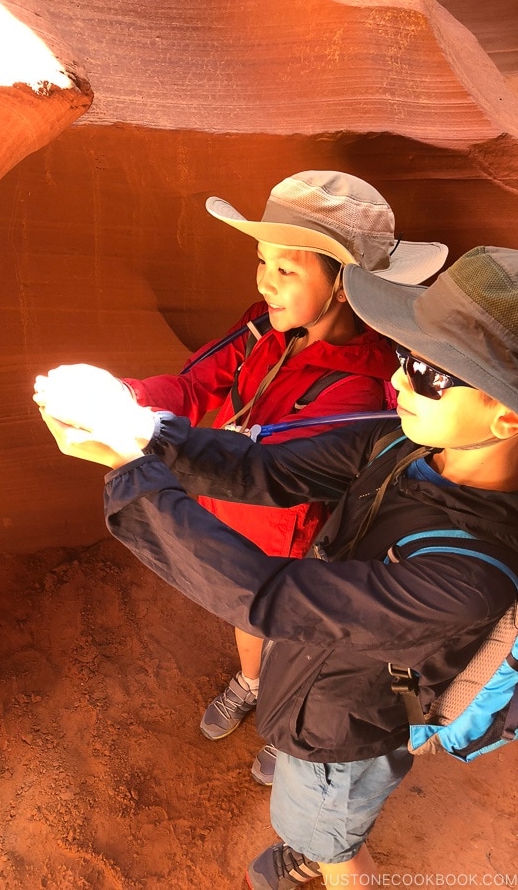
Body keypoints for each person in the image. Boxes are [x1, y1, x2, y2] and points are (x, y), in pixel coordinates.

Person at [34, 245, 518, 888]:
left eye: (432, 374)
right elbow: (270, 468)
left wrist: (131, 470)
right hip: (320, 678)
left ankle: (324, 853)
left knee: (332, 829)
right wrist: (144, 430)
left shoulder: (468, 576)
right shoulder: (408, 441)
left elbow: (267, 596)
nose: (399, 380)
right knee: (315, 809)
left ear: (507, 416)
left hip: (348, 727)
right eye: (406, 355)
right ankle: (312, 843)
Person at [115, 170, 447, 785]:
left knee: (289, 623)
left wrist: (140, 437)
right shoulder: (261, 327)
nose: (264, 281)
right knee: (247, 617)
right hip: (232, 504)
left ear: (345, 286)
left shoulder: (367, 386)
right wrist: (125, 398)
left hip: (300, 535)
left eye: (287, 270)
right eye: (262, 260)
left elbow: (277, 467)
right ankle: (251, 683)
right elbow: (194, 384)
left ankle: (282, 719)